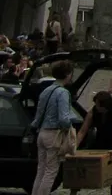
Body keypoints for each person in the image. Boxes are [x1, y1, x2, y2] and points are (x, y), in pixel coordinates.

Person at [29, 59, 78, 195]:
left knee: (41, 171)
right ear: (68, 74)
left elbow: (38, 116)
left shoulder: (46, 91)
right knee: (50, 172)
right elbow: (63, 118)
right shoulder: (62, 92)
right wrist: (71, 121)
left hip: (42, 133)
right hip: (54, 135)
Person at [77, 88, 112, 195]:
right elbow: (82, 131)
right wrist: (74, 146)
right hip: (101, 138)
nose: (96, 106)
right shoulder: (93, 111)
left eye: (98, 104)